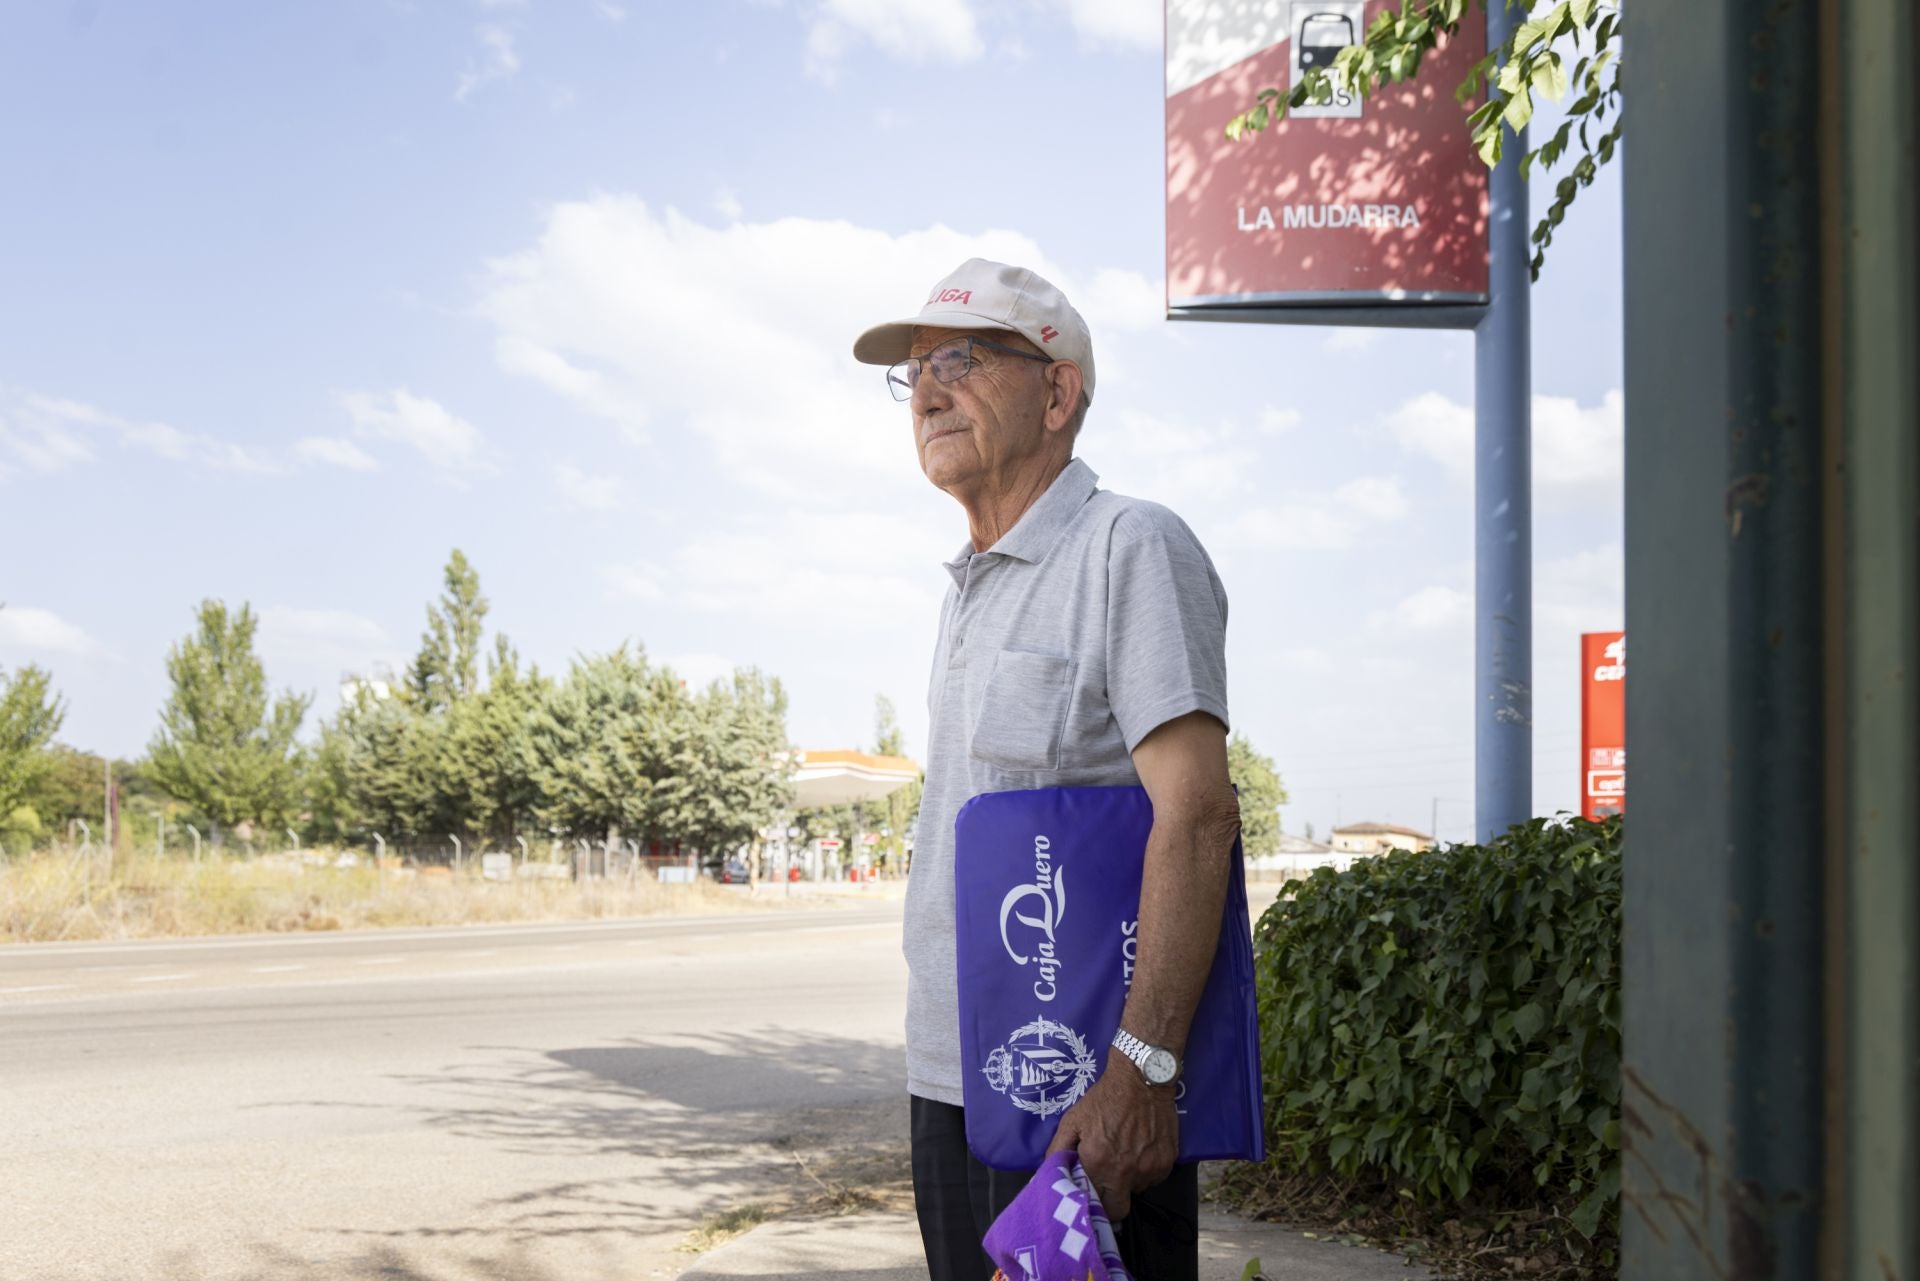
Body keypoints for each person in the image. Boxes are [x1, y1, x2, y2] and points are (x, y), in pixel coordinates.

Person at [852, 259, 1241, 1281]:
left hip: (1079, 1103)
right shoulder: (966, 590)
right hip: (950, 1082)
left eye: (963, 360)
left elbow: (1198, 818)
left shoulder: (1131, 548)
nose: (927, 390)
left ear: (1058, 391)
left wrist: (1141, 1071)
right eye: (916, 372)